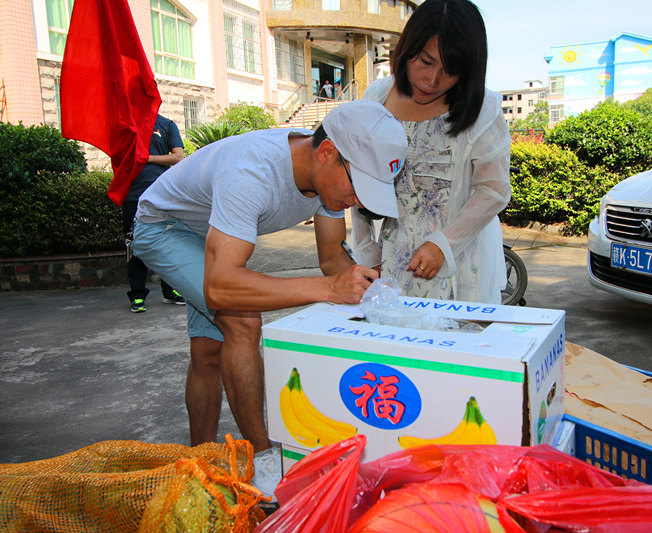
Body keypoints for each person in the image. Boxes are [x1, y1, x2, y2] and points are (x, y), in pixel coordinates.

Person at [129, 99, 407, 500]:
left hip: (209, 232)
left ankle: (199, 464)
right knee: (242, 320)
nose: (359, 202)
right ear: (328, 153)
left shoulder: (325, 180)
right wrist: (329, 289)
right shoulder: (253, 171)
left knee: (209, 351)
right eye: (360, 187)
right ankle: (262, 460)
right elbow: (221, 286)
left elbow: (332, 259)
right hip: (163, 227)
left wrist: (369, 290)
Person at [350, 0, 511, 304]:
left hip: (460, 259)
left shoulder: (482, 110)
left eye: (451, 70)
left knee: (455, 345)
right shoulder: (376, 98)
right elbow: (356, 179)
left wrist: (443, 245)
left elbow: (494, 189)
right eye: (425, 61)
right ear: (406, 48)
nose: (432, 79)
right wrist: (365, 247)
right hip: (393, 255)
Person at [123, 114, 185, 312]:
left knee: (166, 242)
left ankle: (169, 291)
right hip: (132, 194)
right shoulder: (127, 123)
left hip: (161, 194)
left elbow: (177, 156)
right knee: (135, 244)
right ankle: (137, 295)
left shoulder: (166, 125)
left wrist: (145, 158)